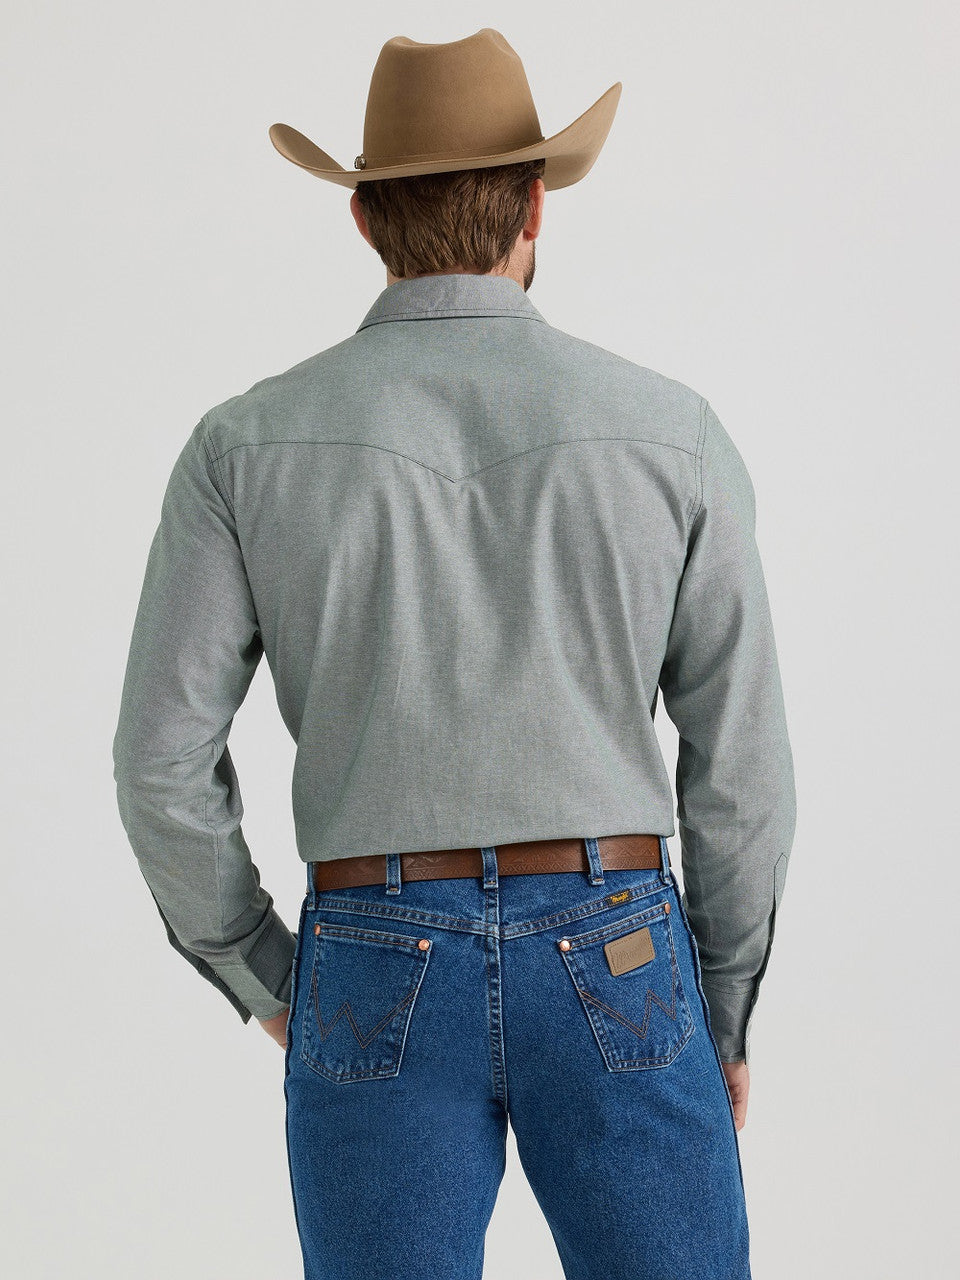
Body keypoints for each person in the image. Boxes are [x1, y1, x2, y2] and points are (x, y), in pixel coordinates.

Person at [112, 27, 796, 1280]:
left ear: (367, 221)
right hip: (622, 947)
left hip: (372, 951)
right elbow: (742, 765)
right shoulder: (670, 434)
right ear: (537, 206)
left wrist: (266, 972)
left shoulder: (241, 446)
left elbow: (160, 764)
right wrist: (721, 994)